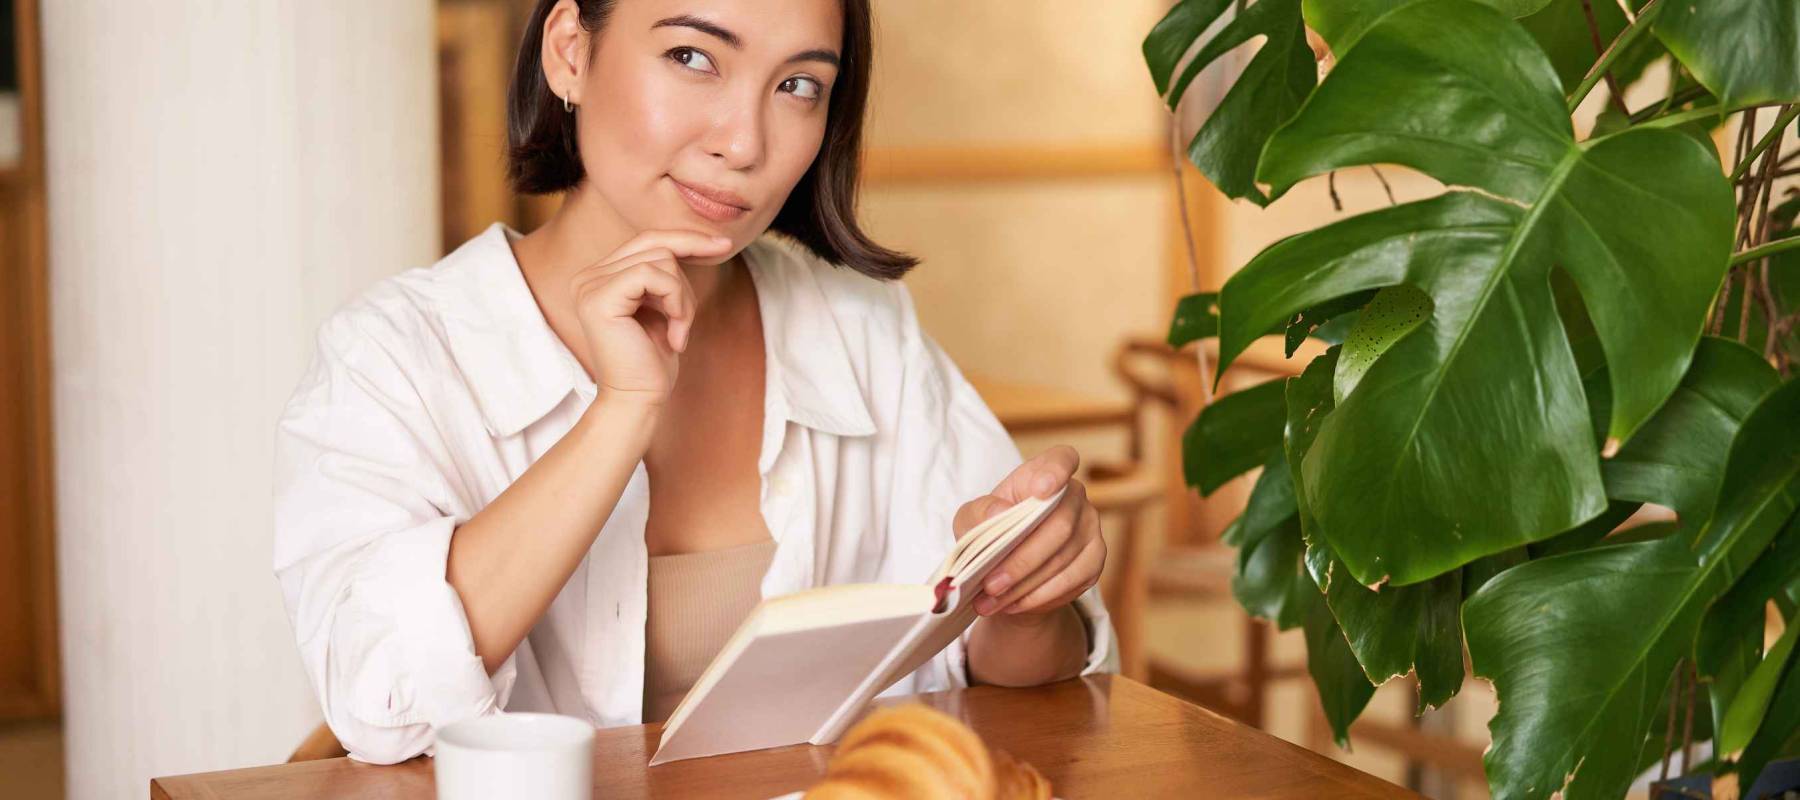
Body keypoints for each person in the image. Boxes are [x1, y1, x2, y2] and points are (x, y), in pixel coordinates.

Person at [273, 0, 1117, 765]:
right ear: (569, 52)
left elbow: (1011, 686)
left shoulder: (865, 330)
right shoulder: (394, 356)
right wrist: (621, 412)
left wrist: (1028, 597)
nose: (744, 142)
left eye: (797, 85)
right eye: (692, 58)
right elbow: (380, 700)